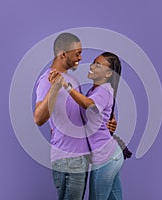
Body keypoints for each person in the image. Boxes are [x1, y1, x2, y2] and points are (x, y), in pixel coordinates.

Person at [34, 33, 117, 200]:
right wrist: (55, 87)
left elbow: (84, 111)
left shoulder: (71, 79)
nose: (81, 57)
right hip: (68, 159)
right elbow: (39, 118)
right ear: (63, 54)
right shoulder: (48, 80)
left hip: (81, 158)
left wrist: (108, 120)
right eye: (77, 53)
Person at [50, 52, 124, 200]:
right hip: (112, 156)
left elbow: (88, 104)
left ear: (108, 73)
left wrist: (66, 85)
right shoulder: (95, 91)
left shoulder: (103, 90)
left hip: (105, 160)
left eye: (98, 65)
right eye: (93, 62)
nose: (92, 66)